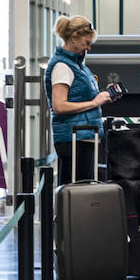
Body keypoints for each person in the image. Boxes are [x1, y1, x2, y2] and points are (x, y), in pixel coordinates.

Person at [46, 15, 110, 185]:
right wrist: (94, 103)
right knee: (76, 189)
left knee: (81, 189)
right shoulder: (62, 66)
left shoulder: (77, 66)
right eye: (86, 42)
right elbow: (59, 106)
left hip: (82, 136)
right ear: (74, 38)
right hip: (74, 137)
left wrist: (102, 96)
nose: (88, 47)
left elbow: (80, 95)